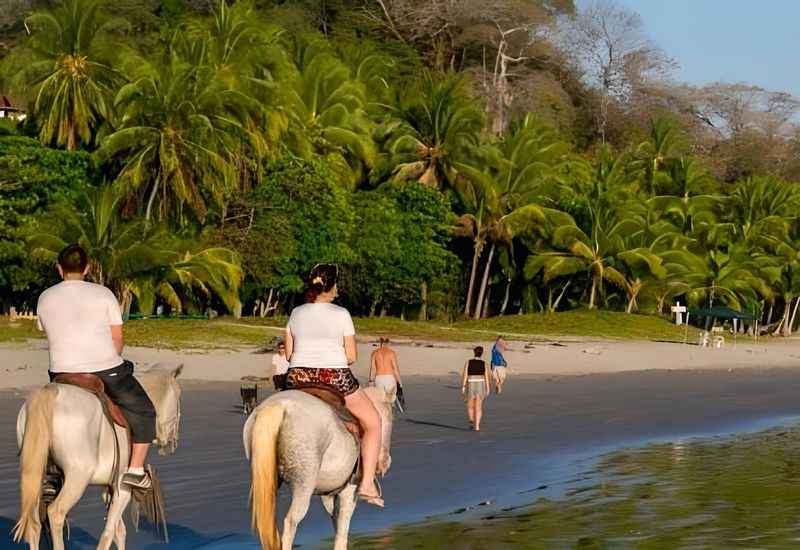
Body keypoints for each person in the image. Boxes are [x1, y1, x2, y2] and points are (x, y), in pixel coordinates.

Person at [36, 244, 156, 489]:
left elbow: (46, 331)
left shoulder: (45, 297)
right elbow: (118, 339)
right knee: (144, 410)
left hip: (62, 374)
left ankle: (50, 473)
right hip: (105, 369)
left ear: (59, 269)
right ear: (88, 268)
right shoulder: (103, 294)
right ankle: (135, 470)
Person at [284, 264, 385, 507]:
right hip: (334, 377)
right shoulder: (341, 314)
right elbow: (351, 356)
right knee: (374, 423)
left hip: (297, 377)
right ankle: (368, 484)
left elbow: (289, 354)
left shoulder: (296, 313)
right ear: (331, 287)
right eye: (337, 283)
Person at [461, 346, 490, 431]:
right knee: (478, 406)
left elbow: (465, 375)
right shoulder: (484, 363)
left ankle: (471, 421)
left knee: (470, 405)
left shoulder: (468, 362)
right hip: (481, 384)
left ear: (474, 352)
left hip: (471, 383)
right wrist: (488, 388)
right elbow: (486, 377)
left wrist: (463, 386)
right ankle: (477, 426)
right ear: (482, 353)